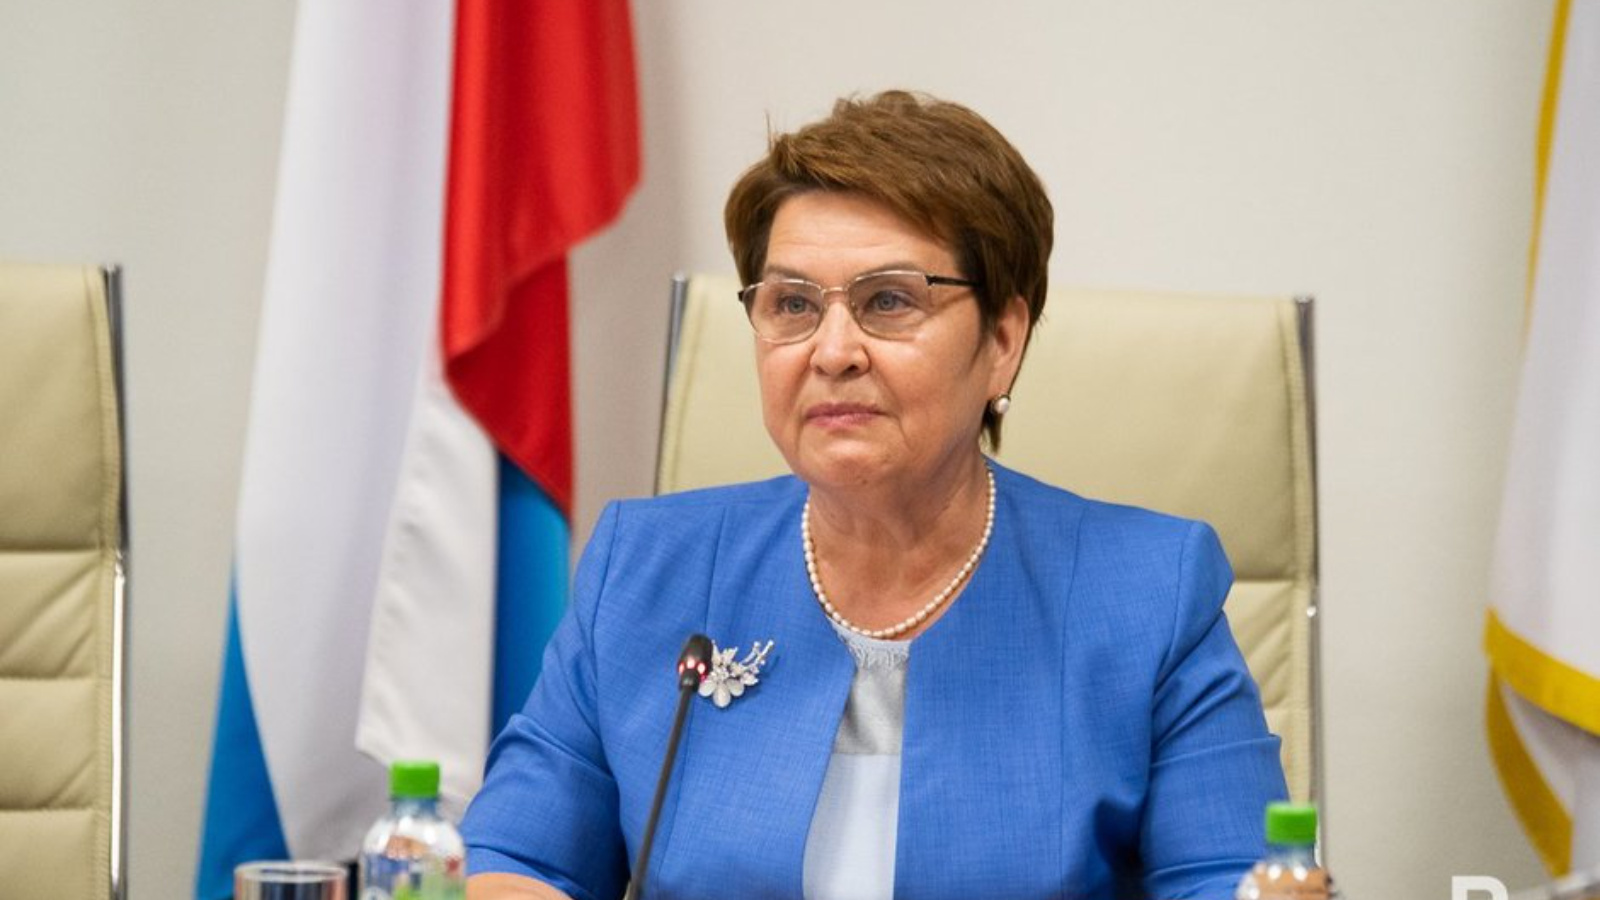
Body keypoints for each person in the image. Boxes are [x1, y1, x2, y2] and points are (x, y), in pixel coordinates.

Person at [461, 90, 1287, 900]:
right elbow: (516, 859)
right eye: (792, 304)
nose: (832, 351)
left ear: (1003, 342)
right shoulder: (643, 569)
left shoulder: (1150, 594)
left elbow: (1232, 879)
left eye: (888, 301)